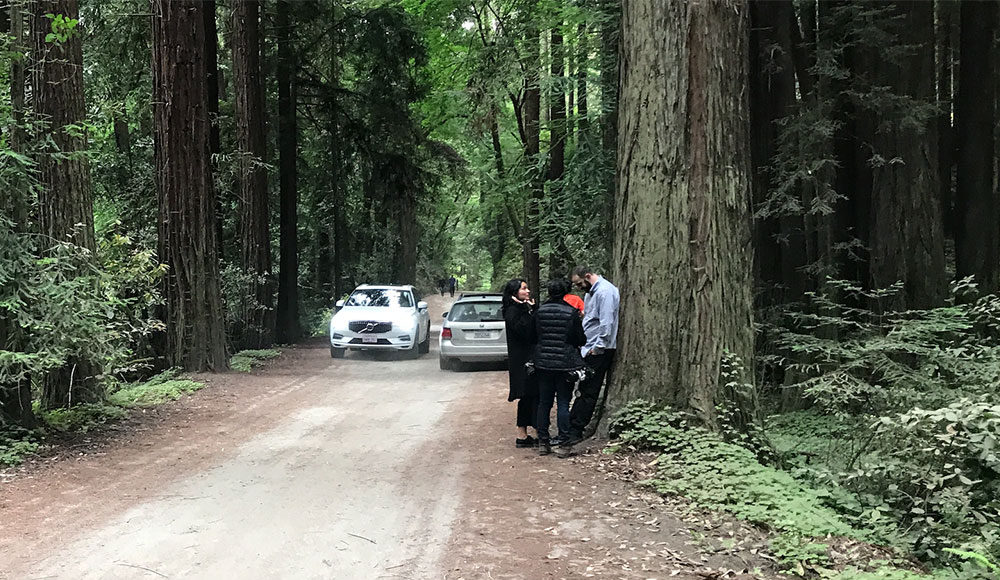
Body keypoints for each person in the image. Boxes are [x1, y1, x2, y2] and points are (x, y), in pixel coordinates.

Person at [564, 266, 620, 446]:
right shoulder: (590, 293)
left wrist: (598, 347)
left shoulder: (605, 292)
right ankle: (572, 425)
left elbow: (606, 322)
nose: (579, 287)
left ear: (587, 276)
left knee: (589, 389)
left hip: (598, 349)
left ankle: (576, 429)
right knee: (582, 387)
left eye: (579, 283)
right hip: (587, 346)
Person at [533, 279, 587, 456]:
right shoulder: (571, 312)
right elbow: (580, 338)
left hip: (543, 363)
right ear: (565, 292)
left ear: (549, 292)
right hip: (565, 363)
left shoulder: (539, 311)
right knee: (563, 403)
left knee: (544, 402)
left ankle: (543, 441)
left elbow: (535, 335)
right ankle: (564, 443)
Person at [502, 278, 538, 448]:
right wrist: (527, 309)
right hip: (521, 360)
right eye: (524, 289)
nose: (528, 291)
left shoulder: (520, 309)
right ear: (514, 292)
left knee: (531, 395)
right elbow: (526, 331)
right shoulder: (512, 311)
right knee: (526, 395)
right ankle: (523, 434)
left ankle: (529, 433)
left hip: (528, 358)